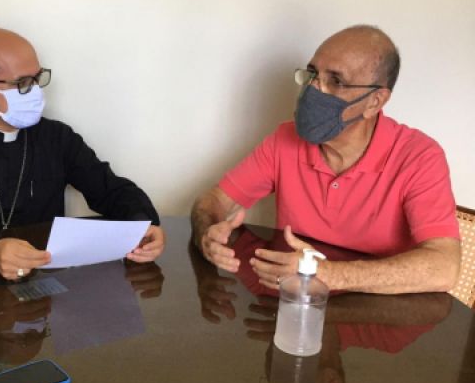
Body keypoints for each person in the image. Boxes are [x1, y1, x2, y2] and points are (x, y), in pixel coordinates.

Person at [191, 25, 461, 294]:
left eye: (336, 81)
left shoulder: (419, 157)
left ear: (374, 102)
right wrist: (208, 234)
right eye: (312, 74)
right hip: (296, 304)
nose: (314, 89)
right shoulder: (285, 140)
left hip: (379, 312)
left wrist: (327, 273)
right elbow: (213, 201)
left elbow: (444, 267)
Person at [0, 27, 165, 280]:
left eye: (37, 78)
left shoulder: (57, 137)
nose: (36, 91)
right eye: (22, 83)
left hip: (45, 278)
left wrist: (144, 224)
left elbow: (111, 190)